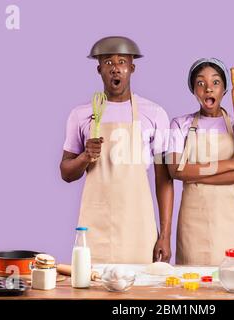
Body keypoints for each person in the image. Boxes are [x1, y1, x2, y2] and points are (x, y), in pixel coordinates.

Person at [60, 36, 173, 264]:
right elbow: (66, 173)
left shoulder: (155, 113)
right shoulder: (81, 114)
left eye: (122, 62)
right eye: (108, 63)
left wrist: (165, 235)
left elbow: (164, 179)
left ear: (132, 68)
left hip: (138, 225)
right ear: (99, 69)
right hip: (95, 226)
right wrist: (84, 157)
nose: (115, 69)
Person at [167, 58, 234, 265]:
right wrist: (232, 164)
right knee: (192, 287)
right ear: (193, 90)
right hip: (193, 223)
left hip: (231, 220)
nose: (208, 89)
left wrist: (196, 177)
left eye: (215, 83)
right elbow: (176, 171)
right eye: (200, 83)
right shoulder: (179, 124)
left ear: (225, 90)